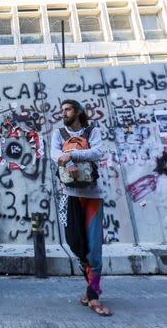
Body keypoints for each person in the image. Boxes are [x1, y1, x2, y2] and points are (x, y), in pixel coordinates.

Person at [51, 99, 112, 317]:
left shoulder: (92, 131)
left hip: (92, 196)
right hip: (70, 196)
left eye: (67, 109)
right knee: (75, 243)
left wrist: (73, 154)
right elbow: (54, 154)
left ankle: (93, 294)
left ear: (77, 111)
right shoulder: (58, 133)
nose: (64, 113)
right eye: (63, 110)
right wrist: (67, 162)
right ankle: (91, 287)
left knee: (94, 248)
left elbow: (98, 152)